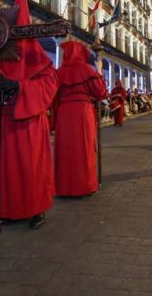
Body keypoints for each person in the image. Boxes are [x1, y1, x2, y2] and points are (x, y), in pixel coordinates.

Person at [0, 0, 58, 230]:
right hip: (6, 119)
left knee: (31, 167)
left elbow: (48, 85)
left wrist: (19, 86)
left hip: (30, 121)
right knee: (6, 168)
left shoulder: (39, 56)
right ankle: (8, 208)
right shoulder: (0, 53)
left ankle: (35, 208)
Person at [52, 41, 108, 197]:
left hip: (64, 113)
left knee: (65, 148)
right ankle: (84, 185)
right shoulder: (87, 70)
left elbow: (52, 97)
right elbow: (100, 92)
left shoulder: (58, 73)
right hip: (83, 112)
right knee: (84, 147)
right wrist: (99, 70)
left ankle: (64, 187)